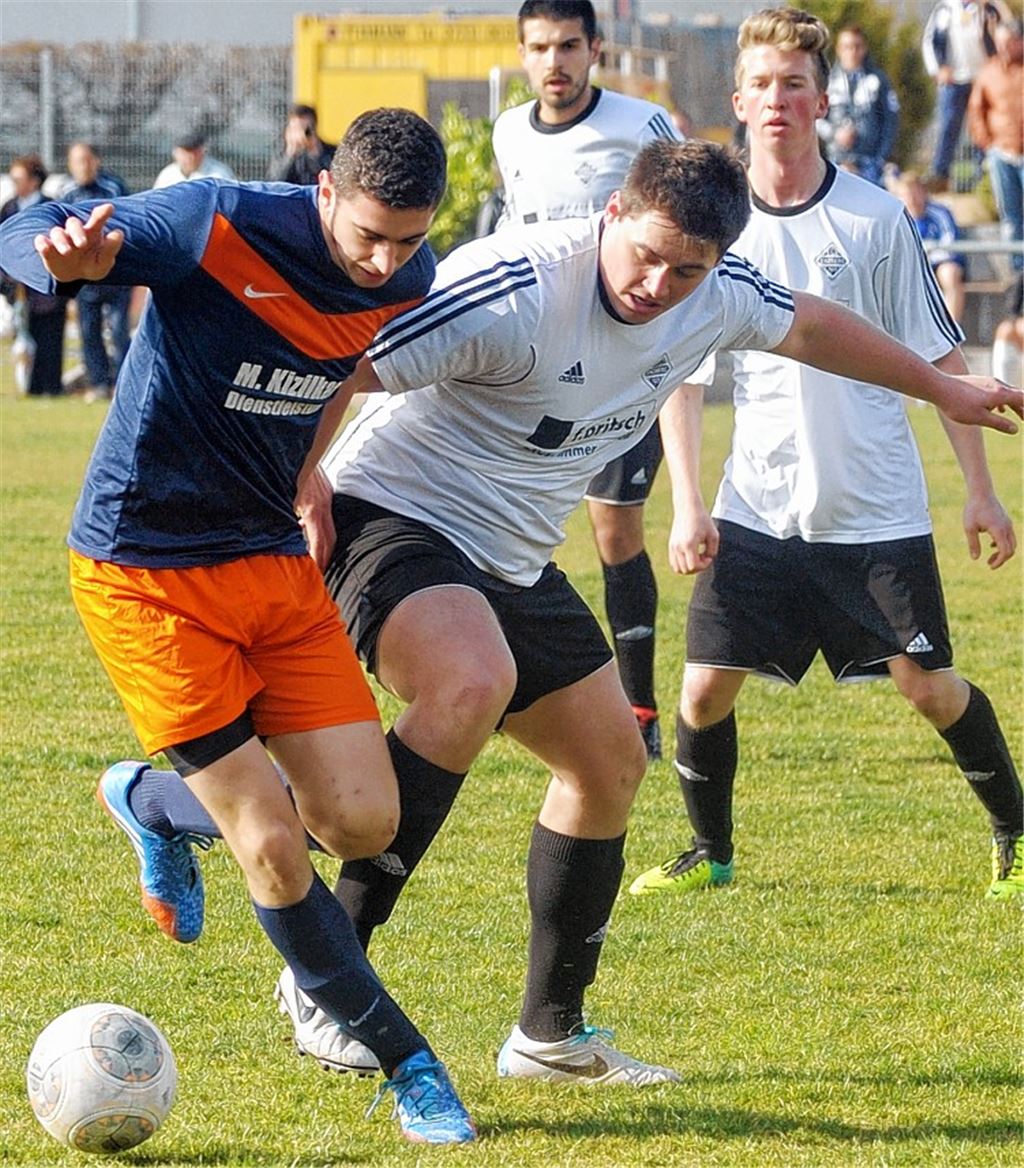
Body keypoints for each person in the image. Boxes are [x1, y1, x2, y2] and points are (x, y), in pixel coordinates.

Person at [96, 138, 1022, 1089]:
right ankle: (332, 975)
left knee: (608, 761)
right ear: (613, 214)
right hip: (395, 514)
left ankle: (547, 1036)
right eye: (647, 255)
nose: (660, 284)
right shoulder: (515, 287)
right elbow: (346, 356)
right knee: (469, 679)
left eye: (687, 270)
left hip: (512, 554)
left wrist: (943, 385)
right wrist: (306, 480)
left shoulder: (721, 293)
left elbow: (818, 327)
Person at [0, 108, 476, 1145]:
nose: (385, 261)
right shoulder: (214, 221)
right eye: (367, 236)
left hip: (267, 557)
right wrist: (60, 259)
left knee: (362, 821)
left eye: (408, 238)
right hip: (144, 572)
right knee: (271, 842)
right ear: (325, 194)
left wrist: (308, 469)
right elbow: (28, 222)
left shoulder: (406, 275)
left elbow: (342, 365)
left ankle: (155, 803)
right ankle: (410, 1064)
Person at [628, 7, 1023, 904]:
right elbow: (683, 376)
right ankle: (711, 852)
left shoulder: (875, 218)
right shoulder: (713, 225)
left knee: (928, 688)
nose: (778, 101)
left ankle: (1017, 834)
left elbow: (940, 360)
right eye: (762, 85)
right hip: (758, 506)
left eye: (794, 84)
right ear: (738, 99)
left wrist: (981, 493)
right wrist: (689, 503)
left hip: (870, 506)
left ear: (821, 98)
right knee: (700, 694)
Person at [491, 0, 696, 759]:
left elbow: (686, 214)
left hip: (620, 363)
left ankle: (637, 705)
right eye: (541, 47)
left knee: (614, 531)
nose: (555, 62)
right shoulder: (509, 130)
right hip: (532, 361)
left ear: (596, 48)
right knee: (506, 519)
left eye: (569, 46)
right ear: (522, 53)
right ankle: (507, 680)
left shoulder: (640, 125)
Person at [64, 142, 132, 402]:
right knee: (89, 331)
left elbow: (128, 224)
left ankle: (125, 383)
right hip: (84, 279)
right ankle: (99, 383)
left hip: (115, 274)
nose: (83, 166)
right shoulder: (67, 193)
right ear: (70, 165)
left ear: (97, 161)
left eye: (87, 160)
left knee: (118, 331)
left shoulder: (113, 187)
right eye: (77, 161)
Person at [922, 0, 1008, 190]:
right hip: (954, 79)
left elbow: (1003, 35)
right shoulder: (945, 8)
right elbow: (930, 40)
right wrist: (938, 69)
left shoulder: (987, 7)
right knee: (949, 125)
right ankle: (940, 172)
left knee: (982, 128)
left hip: (982, 79)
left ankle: (983, 174)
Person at [0, 154, 67, 395]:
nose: (15, 184)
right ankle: (32, 386)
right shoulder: (9, 207)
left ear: (34, 180)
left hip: (48, 282)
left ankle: (52, 385)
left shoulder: (50, 206)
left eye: (20, 178)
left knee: (50, 336)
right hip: (19, 286)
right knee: (27, 336)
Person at [968, 18, 1023, 274]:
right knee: (1010, 215)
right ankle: (1018, 271)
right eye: (1000, 42)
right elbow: (976, 110)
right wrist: (988, 144)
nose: (1003, 48)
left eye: (1009, 43)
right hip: (1002, 152)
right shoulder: (989, 72)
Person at [819, 24, 899, 186]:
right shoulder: (826, 82)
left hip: (870, 163)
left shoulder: (878, 80)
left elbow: (891, 120)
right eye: (847, 47)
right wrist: (834, 133)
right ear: (839, 50)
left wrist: (881, 157)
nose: (853, 52)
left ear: (864, 49)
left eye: (857, 47)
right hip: (837, 161)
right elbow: (814, 118)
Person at [893, 169, 967, 324]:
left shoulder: (940, 213)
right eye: (907, 194)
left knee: (950, 273)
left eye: (915, 192)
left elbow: (950, 242)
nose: (912, 199)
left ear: (924, 192)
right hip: (910, 265)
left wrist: (926, 257)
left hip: (938, 262)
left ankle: (951, 330)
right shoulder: (895, 216)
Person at [267, 104, 335, 185]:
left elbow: (335, 179)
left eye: (305, 129)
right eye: (295, 128)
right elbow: (275, 185)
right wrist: (290, 155)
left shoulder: (332, 152)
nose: (300, 134)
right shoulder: (281, 155)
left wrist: (316, 153)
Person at [153, 131, 236, 189]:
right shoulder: (168, 175)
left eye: (194, 152)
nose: (190, 157)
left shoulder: (218, 174)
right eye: (185, 153)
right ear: (175, 153)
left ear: (203, 152)